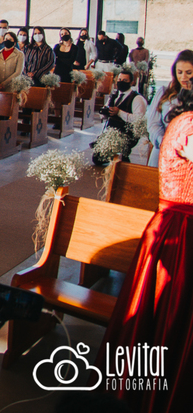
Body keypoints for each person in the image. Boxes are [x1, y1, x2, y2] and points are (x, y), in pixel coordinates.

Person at [101, 88, 193, 413]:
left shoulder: (181, 120)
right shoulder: (190, 127)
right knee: (169, 316)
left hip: (171, 225)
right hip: (181, 235)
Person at [147, 51, 193, 167]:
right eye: (180, 72)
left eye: (188, 73)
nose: (183, 77)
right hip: (163, 152)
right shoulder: (164, 93)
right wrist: (163, 140)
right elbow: (153, 124)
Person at [102, 69, 146, 154]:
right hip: (111, 132)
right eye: (119, 80)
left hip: (127, 134)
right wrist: (105, 113)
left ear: (131, 82)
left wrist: (119, 112)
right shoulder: (115, 96)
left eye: (125, 80)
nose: (121, 82)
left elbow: (138, 120)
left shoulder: (137, 98)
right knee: (97, 157)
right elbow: (106, 113)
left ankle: (123, 159)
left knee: (119, 155)